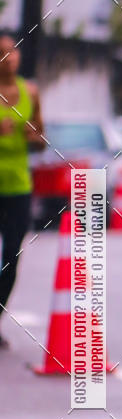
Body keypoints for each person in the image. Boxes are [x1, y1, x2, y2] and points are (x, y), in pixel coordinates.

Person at [0, 32, 45, 348]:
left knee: (11, 258)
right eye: (3, 53)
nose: (10, 57)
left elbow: (42, 140)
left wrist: (33, 136)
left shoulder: (31, 92)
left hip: (18, 187)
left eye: (13, 52)